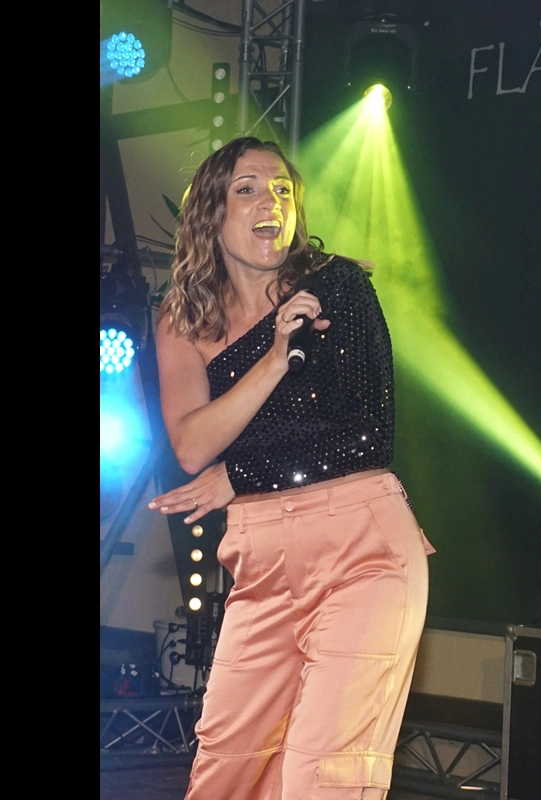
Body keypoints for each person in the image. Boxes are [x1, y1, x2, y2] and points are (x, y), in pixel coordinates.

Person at [147, 136, 435, 799]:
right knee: (227, 771)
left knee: (322, 772)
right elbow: (191, 446)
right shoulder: (184, 319)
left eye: (282, 189)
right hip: (263, 558)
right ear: (212, 212)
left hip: (364, 546)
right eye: (247, 189)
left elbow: (367, 435)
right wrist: (274, 358)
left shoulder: (336, 287)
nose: (270, 201)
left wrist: (241, 474)